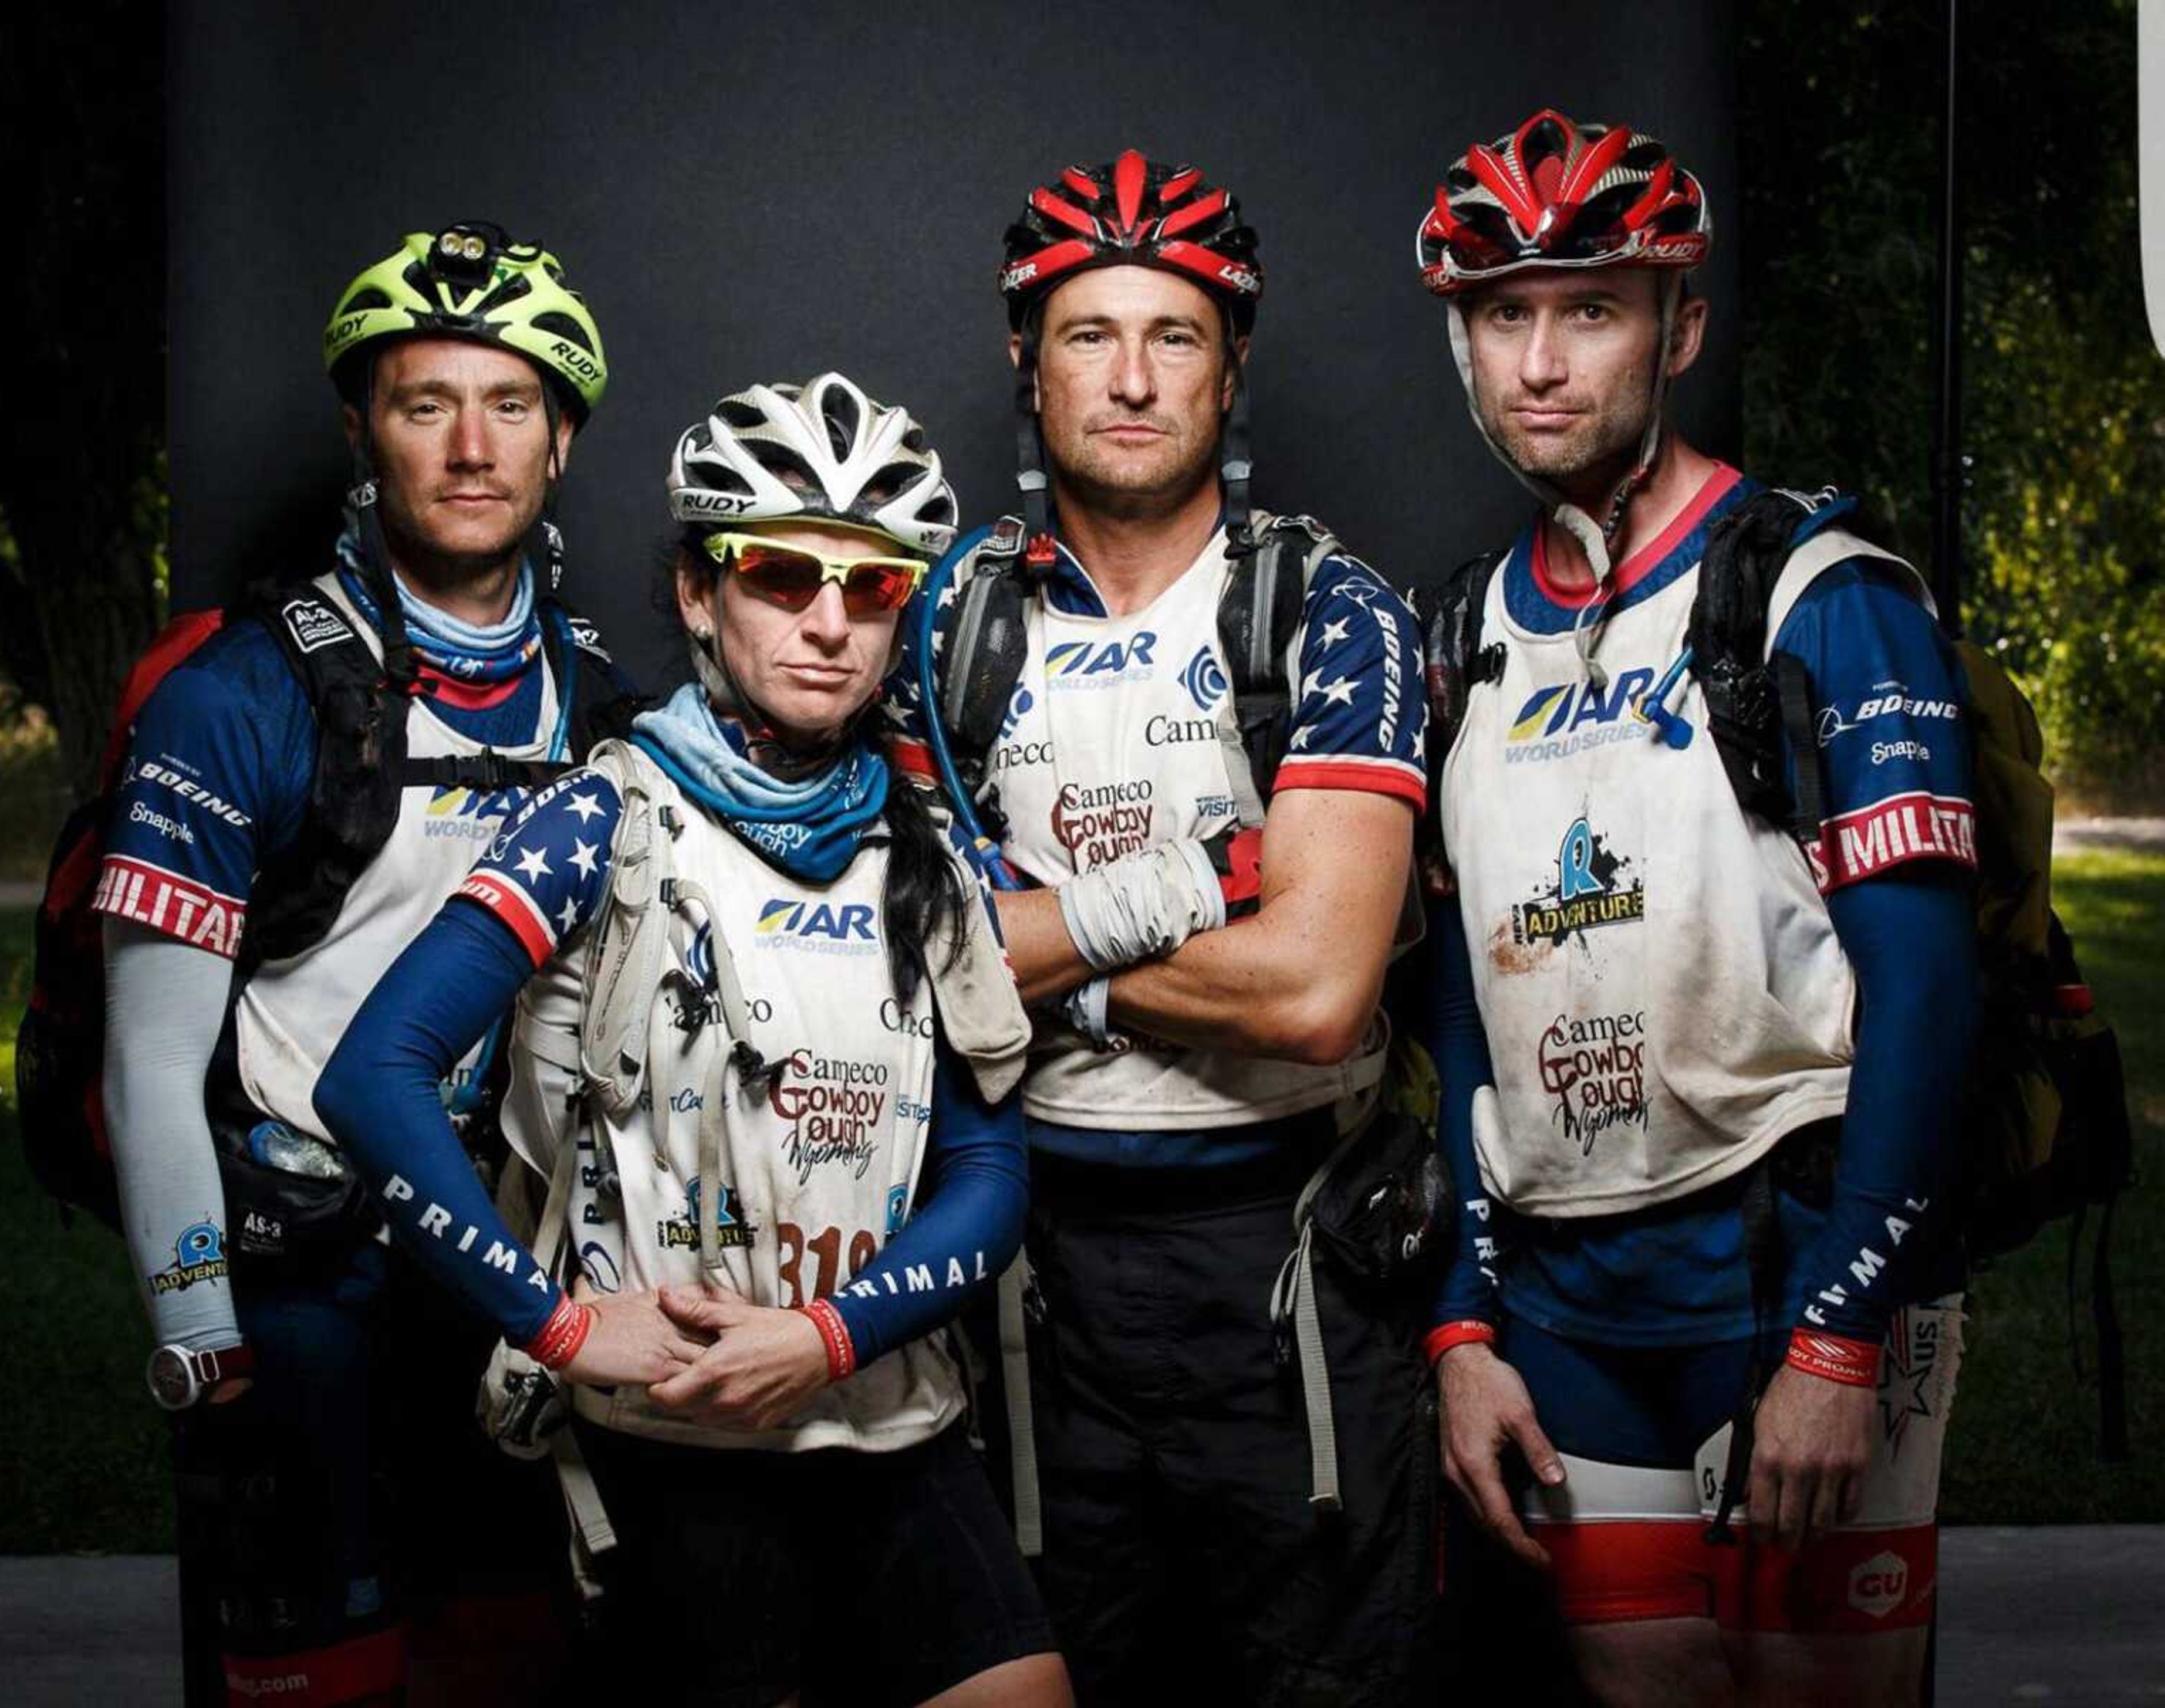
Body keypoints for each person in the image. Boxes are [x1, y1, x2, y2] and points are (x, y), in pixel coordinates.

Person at [315, 373, 1072, 1708]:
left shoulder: (927, 851)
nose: (832, 625)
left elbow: (991, 1175)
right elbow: (370, 1079)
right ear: (695, 593)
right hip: (674, 1446)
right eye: (783, 576)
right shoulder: (601, 817)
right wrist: (550, 1322)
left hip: (887, 1417)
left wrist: (828, 1337)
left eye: (874, 587)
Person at [1412, 110, 1978, 1706]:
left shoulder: (1814, 588)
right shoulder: (1462, 631)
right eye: (1501, 313)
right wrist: (1463, 1328)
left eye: (1590, 308)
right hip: (1575, 1300)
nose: (1540, 361)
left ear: (1681, 326)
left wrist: (1841, 1334)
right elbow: (1459, 1013)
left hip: (1790, 1259)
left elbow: (1928, 984)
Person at [880, 151, 1434, 1704]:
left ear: (1233, 362)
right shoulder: (947, 622)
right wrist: (1198, 897)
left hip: (1284, 1261)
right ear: (1024, 356)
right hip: (1028, 1268)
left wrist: (1051, 968)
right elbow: (913, 960)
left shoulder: (1328, 610)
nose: (1129, 379)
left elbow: (1319, 992)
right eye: (1086, 333)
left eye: (1175, 336)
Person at [97, 222, 636, 1703]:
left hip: (506, 1265)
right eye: (423, 404)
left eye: (511, 404)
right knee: (322, 1679)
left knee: (511, 1665)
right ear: (362, 429)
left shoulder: (607, 703)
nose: (471, 447)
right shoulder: (234, 694)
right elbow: (148, 1056)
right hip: (297, 1278)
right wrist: (195, 1323)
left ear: (564, 437)